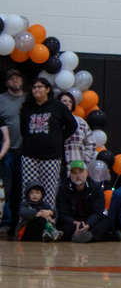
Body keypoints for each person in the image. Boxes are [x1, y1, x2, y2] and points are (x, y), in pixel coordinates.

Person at [20, 77, 76, 209]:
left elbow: (72, 125)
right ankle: (27, 224)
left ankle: (48, 225)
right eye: (34, 87)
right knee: (29, 192)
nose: (36, 90)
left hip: (51, 157)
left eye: (39, 87)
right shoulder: (27, 108)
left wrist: (58, 138)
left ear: (47, 89)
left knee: (49, 192)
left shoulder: (57, 106)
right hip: (29, 156)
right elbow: (23, 130)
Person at [56, 160, 114, 243]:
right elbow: (63, 213)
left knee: (107, 221)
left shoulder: (95, 187)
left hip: (90, 221)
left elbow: (97, 211)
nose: (78, 175)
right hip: (73, 223)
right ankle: (107, 236)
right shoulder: (64, 189)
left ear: (86, 173)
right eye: (74, 173)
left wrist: (88, 224)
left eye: (80, 172)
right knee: (63, 228)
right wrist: (74, 222)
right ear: (70, 175)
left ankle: (88, 236)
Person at [0, 68, 26, 230]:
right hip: (7, 152)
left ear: (22, 81)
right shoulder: (1, 99)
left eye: (17, 77)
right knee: (6, 191)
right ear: (6, 83)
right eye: (11, 79)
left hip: (27, 152)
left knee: (24, 191)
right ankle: (6, 224)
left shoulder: (30, 99)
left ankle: (21, 224)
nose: (15, 80)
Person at [58, 91, 96, 173]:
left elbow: (91, 143)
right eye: (64, 101)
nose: (67, 103)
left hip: (75, 167)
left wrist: (84, 160)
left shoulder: (80, 122)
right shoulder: (53, 121)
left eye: (70, 102)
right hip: (55, 165)